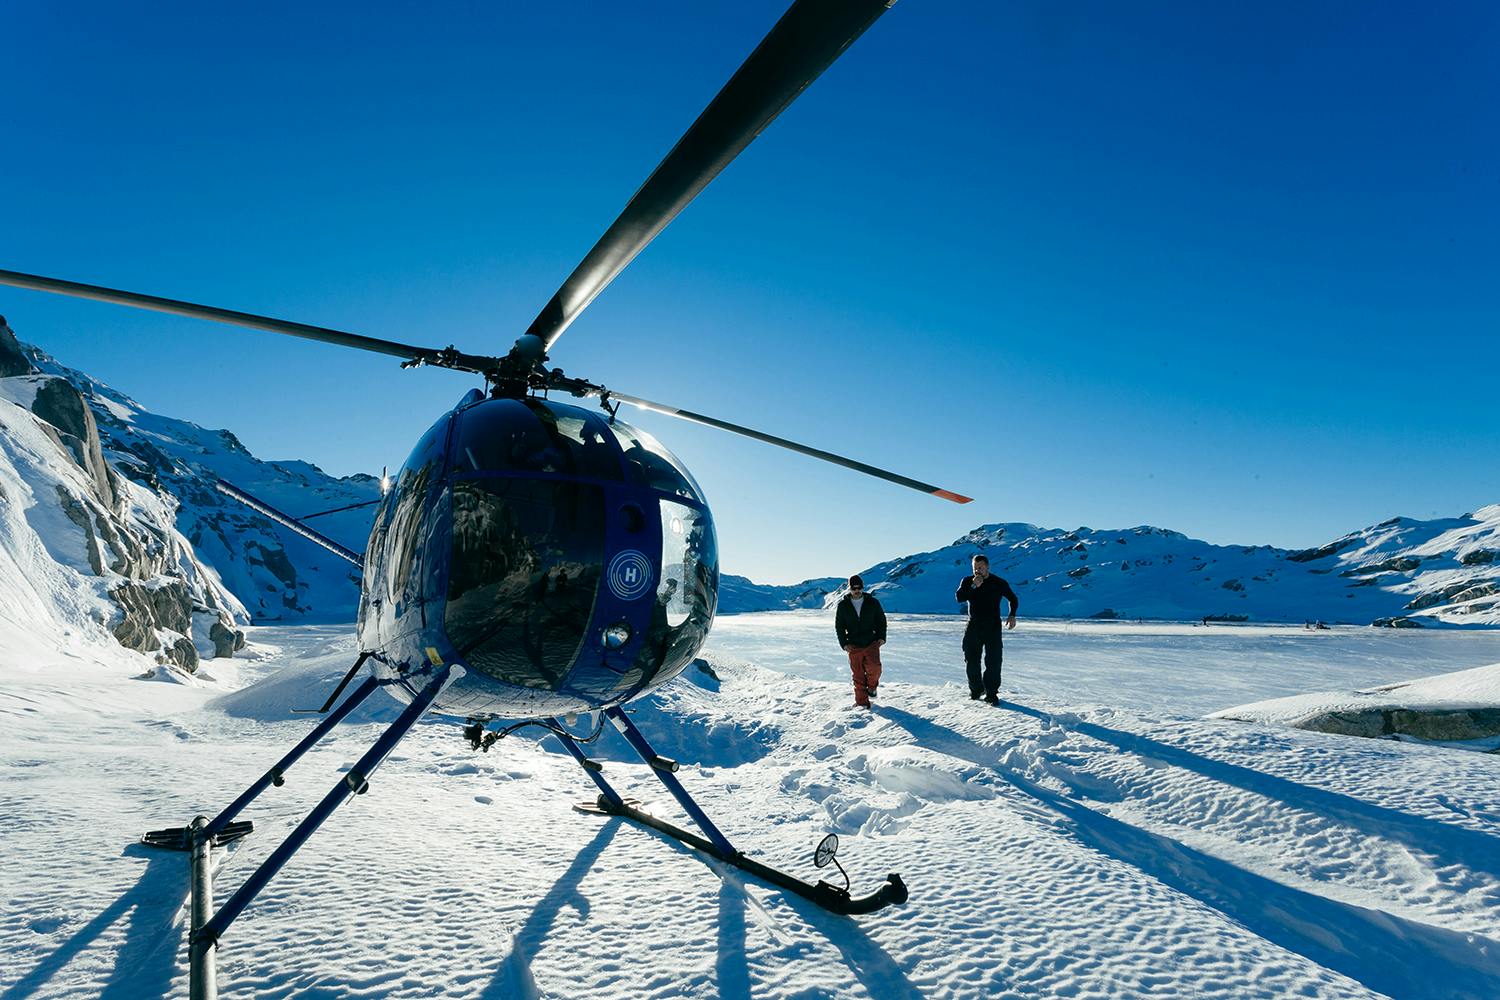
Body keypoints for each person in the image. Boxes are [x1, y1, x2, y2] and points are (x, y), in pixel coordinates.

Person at [955, 554, 1018, 705]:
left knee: (994, 660)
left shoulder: (998, 582)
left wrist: (1012, 614)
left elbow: (1013, 598)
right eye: (975, 568)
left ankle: (991, 693)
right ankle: (976, 690)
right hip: (974, 625)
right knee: (971, 659)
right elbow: (959, 597)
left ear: (988, 567)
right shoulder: (967, 581)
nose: (978, 571)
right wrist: (973, 586)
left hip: (993, 625)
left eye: (981, 568)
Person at [834, 575, 886, 708]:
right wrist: (844, 643)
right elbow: (839, 626)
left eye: (859, 587)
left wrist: (881, 637)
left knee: (875, 668)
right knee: (858, 675)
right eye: (853, 588)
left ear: (862, 587)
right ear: (850, 588)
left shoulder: (873, 602)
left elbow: (881, 621)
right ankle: (862, 704)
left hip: (871, 642)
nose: (856, 590)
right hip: (853, 644)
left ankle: (872, 688)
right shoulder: (843, 605)